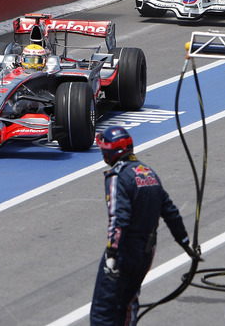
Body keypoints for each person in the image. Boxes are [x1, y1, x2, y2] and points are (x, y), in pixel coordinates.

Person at [89, 126, 201, 326]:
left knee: (104, 312)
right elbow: (170, 212)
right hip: (145, 254)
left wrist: (112, 255)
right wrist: (185, 243)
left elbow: (118, 218)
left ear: (109, 152)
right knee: (129, 302)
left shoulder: (116, 176)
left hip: (124, 252)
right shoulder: (149, 173)